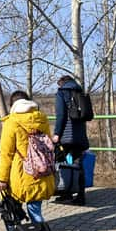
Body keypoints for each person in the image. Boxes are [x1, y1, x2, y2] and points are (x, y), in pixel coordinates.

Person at [0, 90, 55, 224]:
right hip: (41, 171)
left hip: (20, 175)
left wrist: (2, 179)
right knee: (35, 211)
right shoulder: (42, 119)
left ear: (13, 105)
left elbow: (6, 153)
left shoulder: (11, 122)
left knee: (12, 212)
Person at [52, 75, 89, 205]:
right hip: (80, 135)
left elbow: (61, 115)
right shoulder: (79, 92)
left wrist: (57, 134)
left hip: (66, 136)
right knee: (78, 165)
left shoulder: (62, 93)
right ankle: (81, 196)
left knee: (62, 163)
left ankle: (65, 193)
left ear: (62, 83)